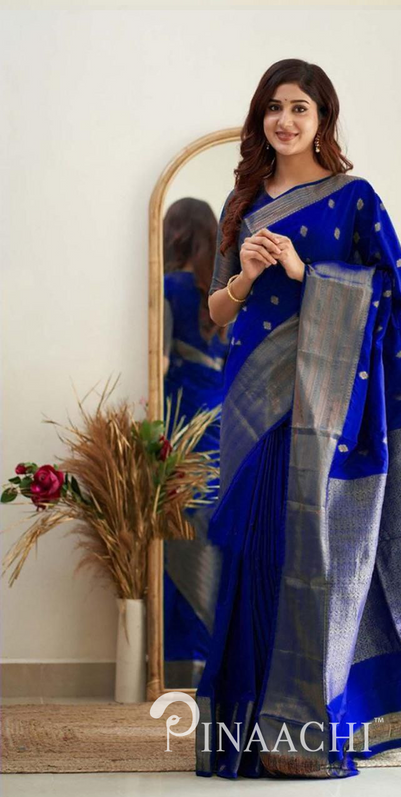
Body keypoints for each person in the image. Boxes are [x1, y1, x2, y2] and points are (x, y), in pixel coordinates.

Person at [194, 58, 401, 780]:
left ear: (322, 119)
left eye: (300, 107)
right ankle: (245, 731)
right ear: (259, 118)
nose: (285, 120)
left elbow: (395, 301)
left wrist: (307, 274)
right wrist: (248, 273)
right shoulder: (239, 201)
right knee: (254, 556)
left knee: (313, 559)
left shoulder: (354, 199)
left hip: (326, 407)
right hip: (251, 403)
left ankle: (298, 734)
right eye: (274, 107)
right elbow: (214, 312)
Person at [162, 198, 233, 686]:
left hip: (183, 420)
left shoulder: (168, 289)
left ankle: (179, 658)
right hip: (225, 423)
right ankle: (218, 656)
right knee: (216, 540)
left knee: (178, 538)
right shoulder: (225, 294)